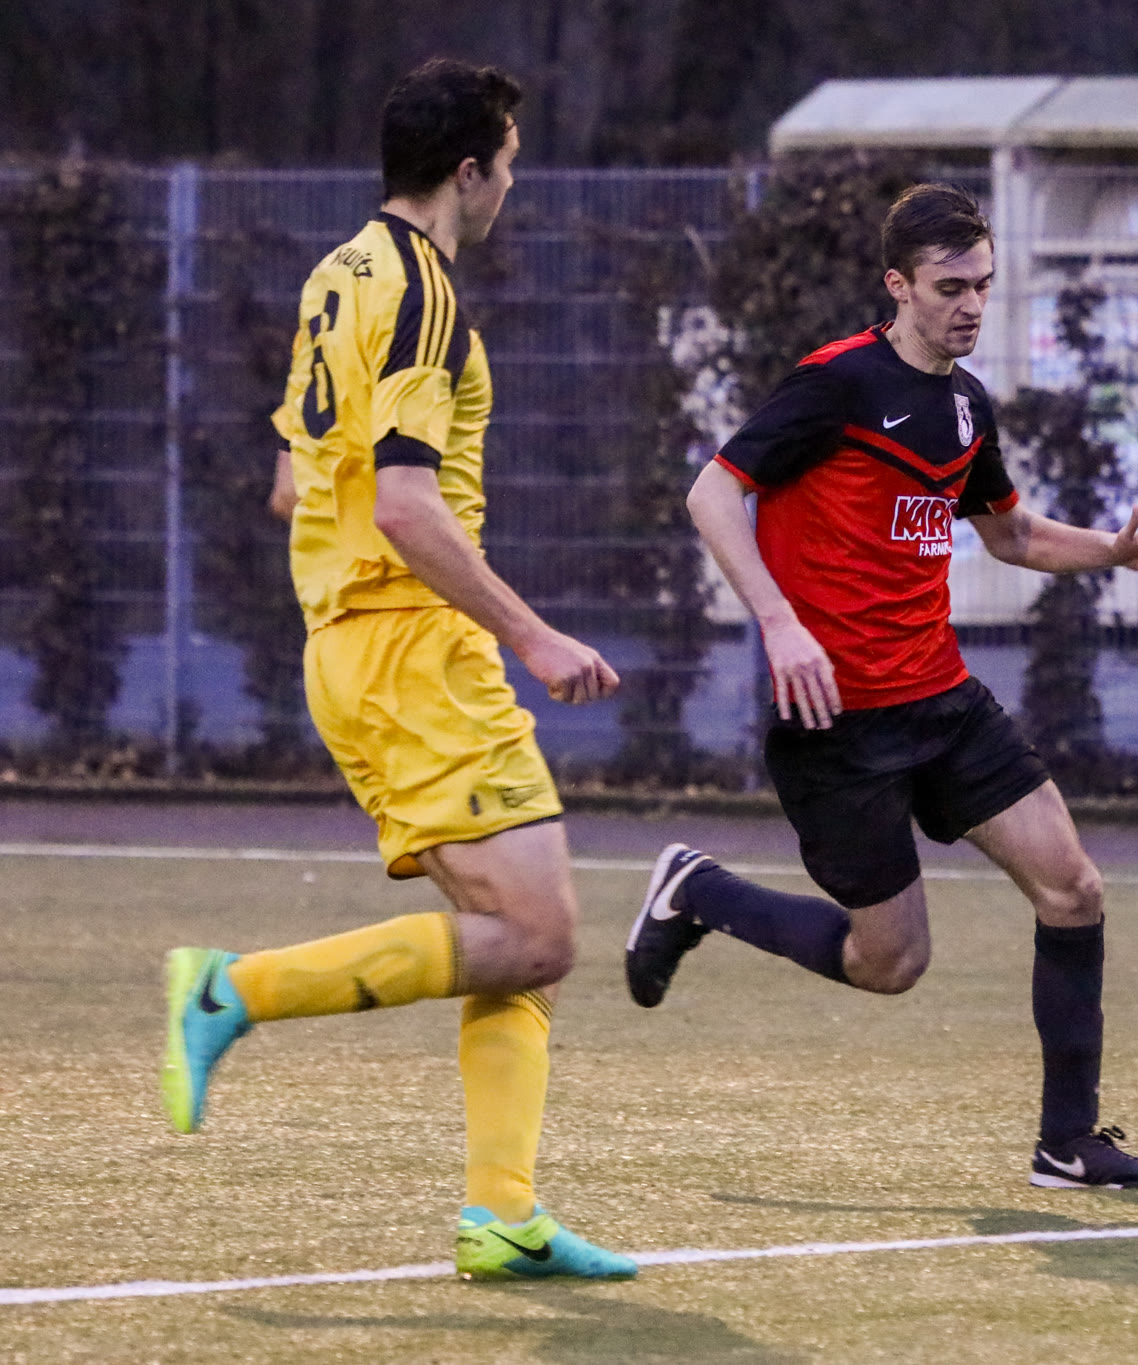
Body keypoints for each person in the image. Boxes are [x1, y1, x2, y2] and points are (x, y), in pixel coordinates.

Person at [625, 183, 1138, 1190]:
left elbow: (1011, 534)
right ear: (897, 286)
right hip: (836, 725)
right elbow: (712, 490)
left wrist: (1114, 552)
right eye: (950, 287)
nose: (970, 305)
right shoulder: (837, 384)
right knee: (890, 963)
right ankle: (697, 891)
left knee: (1073, 888)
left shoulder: (965, 405)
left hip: (941, 702)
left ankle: (1068, 1142)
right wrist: (780, 623)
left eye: (982, 284)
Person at [160, 58, 636, 1281]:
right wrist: (533, 636)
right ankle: (232, 989)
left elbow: (293, 485)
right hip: (414, 644)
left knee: (513, 931)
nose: (512, 187)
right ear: (466, 171)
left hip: (350, 643)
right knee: (538, 935)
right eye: (509, 165)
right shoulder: (424, 294)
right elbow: (408, 509)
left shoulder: (338, 275)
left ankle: (502, 1215)